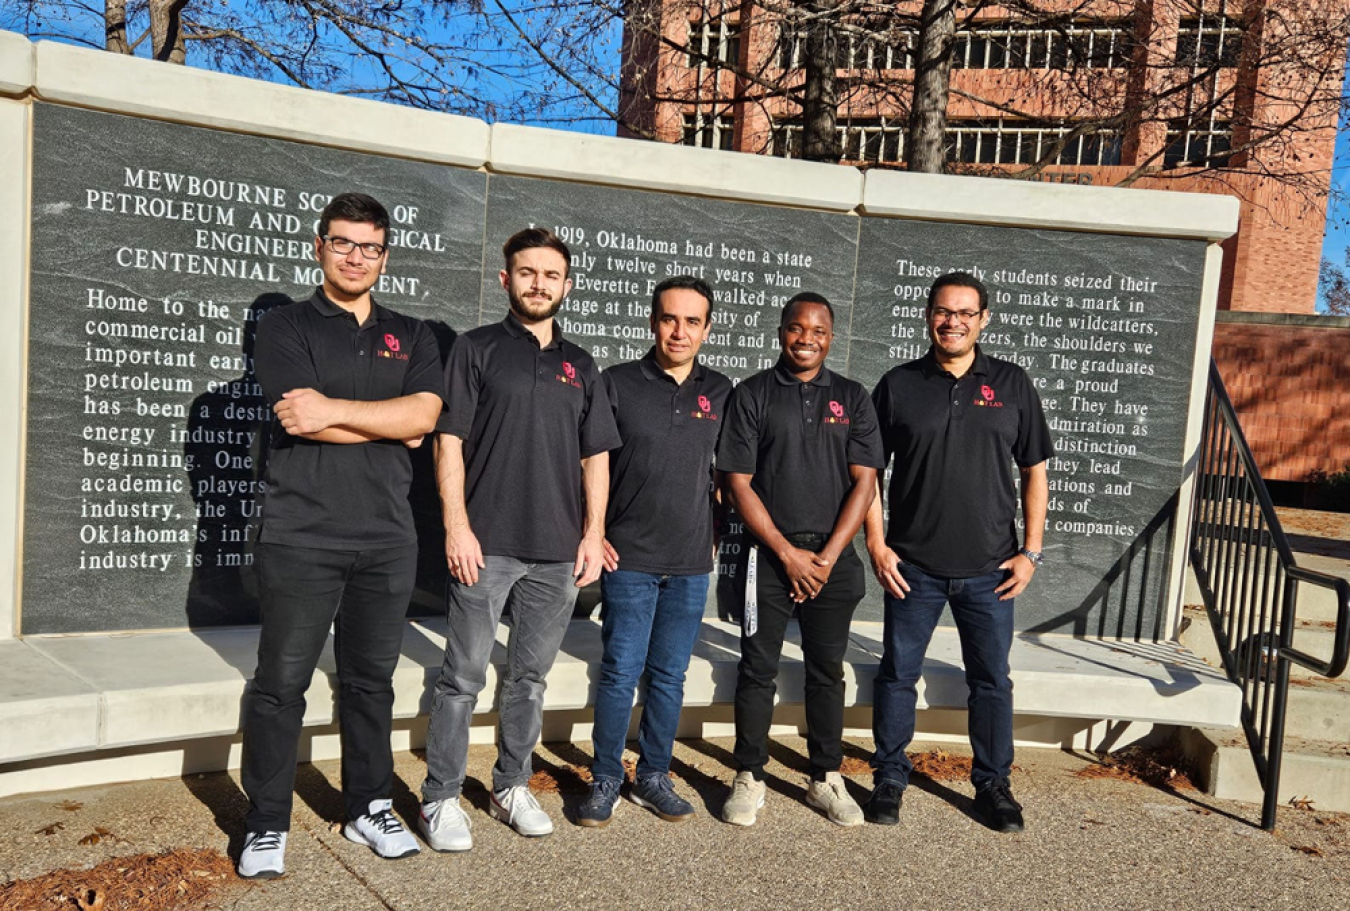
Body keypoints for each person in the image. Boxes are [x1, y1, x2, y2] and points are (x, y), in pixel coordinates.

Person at [237, 192, 443, 879]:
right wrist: (378, 417)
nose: (356, 256)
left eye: (370, 246)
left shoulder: (412, 334)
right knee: (281, 683)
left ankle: (368, 803)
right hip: (301, 533)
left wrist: (338, 408)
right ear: (319, 245)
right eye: (343, 242)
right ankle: (265, 821)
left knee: (370, 682)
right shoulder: (285, 326)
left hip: (387, 537)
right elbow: (299, 419)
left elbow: (420, 422)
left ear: (386, 256)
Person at [420, 228, 621, 849]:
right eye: (527, 272)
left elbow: (596, 458)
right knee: (463, 678)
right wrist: (456, 525)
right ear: (505, 279)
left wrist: (593, 535)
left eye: (551, 274)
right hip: (487, 545)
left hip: (558, 553)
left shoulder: (581, 365)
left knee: (529, 680)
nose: (540, 283)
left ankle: (511, 784)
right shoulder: (476, 350)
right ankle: (441, 798)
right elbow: (446, 439)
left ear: (567, 284)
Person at [863, 271, 1052, 833]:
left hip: (991, 570)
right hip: (913, 566)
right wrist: (876, 542)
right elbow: (868, 472)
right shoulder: (899, 384)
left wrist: (1031, 552)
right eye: (945, 311)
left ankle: (994, 784)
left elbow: (1035, 472)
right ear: (928, 315)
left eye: (966, 313)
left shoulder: (1012, 384)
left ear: (984, 320)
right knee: (897, 674)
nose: (954, 322)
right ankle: (889, 778)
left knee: (991, 679)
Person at [715, 292, 884, 827]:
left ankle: (825, 776)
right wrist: (787, 554)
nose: (806, 338)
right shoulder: (753, 394)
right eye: (796, 327)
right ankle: (749, 774)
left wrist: (828, 557)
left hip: (834, 561)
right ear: (781, 331)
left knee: (826, 672)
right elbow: (736, 481)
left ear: (831, 337)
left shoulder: (853, 397)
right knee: (758, 668)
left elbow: (866, 481)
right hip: (768, 558)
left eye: (818, 330)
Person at [574, 276, 734, 827]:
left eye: (692, 321)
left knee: (670, 676)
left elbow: (727, 475)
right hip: (630, 560)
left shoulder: (721, 391)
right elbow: (589, 463)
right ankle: (605, 779)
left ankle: (654, 776)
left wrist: (714, 530)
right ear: (652, 321)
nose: (680, 331)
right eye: (670, 318)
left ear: (707, 329)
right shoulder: (616, 383)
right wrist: (595, 532)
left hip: (689, 564)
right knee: (621, 672)